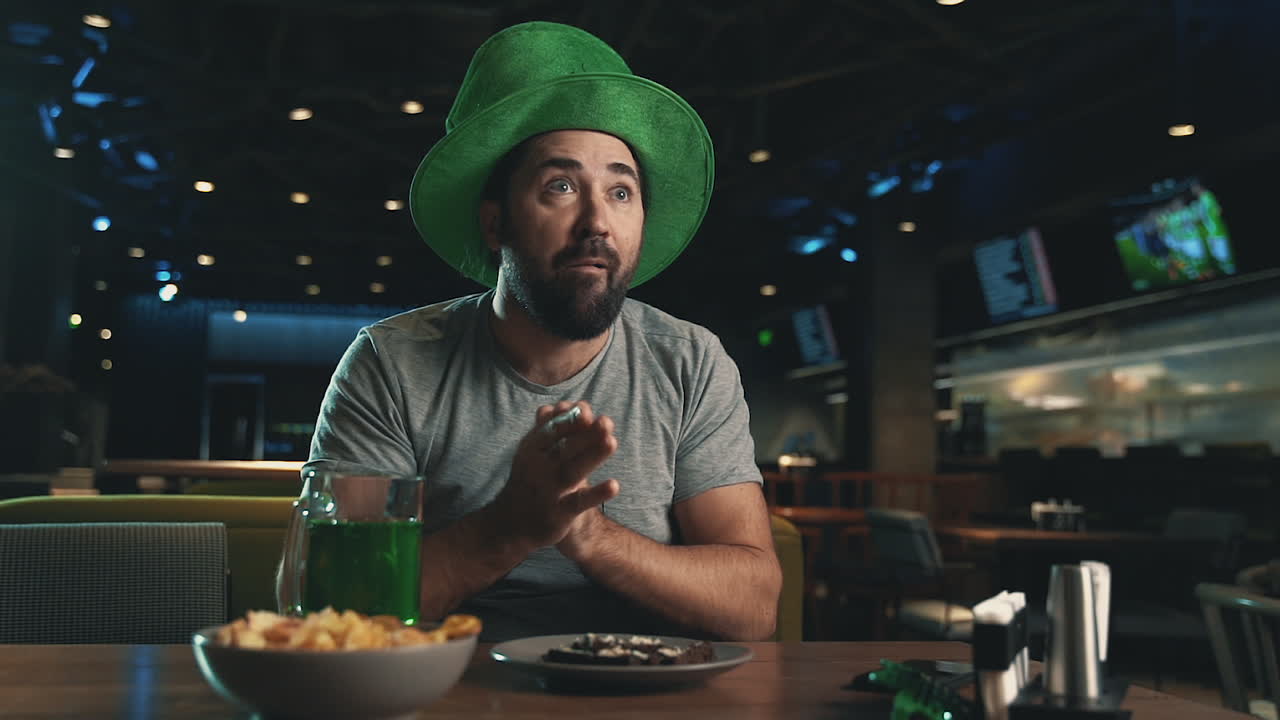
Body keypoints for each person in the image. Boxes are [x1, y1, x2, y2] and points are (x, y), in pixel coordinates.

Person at [298, 21, 781, 642]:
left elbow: (752, 609)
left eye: (621, 191)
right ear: (495, 224)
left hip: (648, 687)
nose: (597, 222)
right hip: (446, 686)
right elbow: (338, 603)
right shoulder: (390, 364)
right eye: (561, 186)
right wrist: (514, 525)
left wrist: (588, 533)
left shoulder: (691, 362)